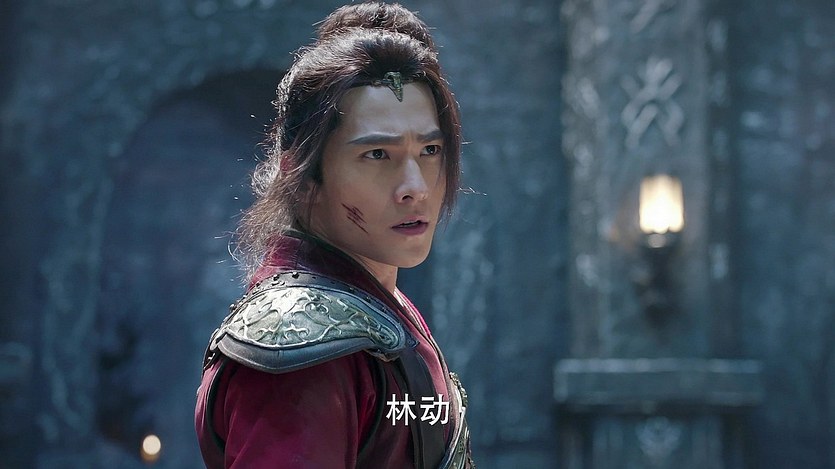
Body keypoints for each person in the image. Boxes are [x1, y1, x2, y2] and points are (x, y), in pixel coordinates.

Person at [194, 3, 474, 468]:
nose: (416, 187)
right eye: (378, 155)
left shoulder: (376, 304)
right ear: (301, 177)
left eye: (429, 150)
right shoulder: (298, 349)